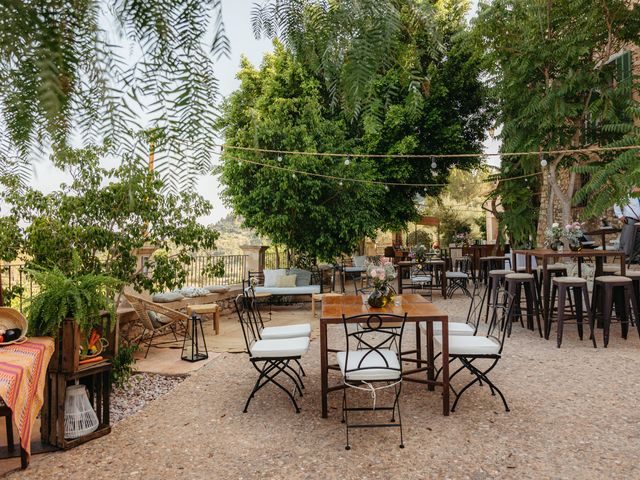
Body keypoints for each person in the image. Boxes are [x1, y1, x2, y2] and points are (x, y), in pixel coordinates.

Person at [613, 187, 640, 261]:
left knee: (638, 239)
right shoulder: (627, 194)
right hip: (630, 219)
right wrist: (620, 215)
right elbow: (617, 203)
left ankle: (634, 257)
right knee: (627, 238)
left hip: (639, 221)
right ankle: (625, 257)